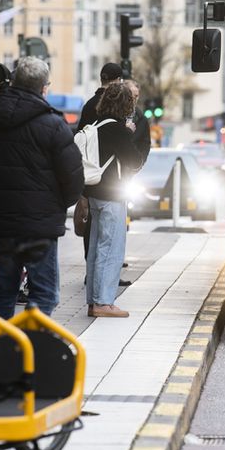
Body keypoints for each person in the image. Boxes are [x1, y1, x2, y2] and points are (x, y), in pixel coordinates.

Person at [0, 56, 84, 320]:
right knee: (44, 293)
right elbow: (73, 177)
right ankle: (31, 349)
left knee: (4, 290)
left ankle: (0, 350)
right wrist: (56, 206)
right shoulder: (53, 124)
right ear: (44, 88)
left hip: (0, 221)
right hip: (38, 226)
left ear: (13, 82)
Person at [84, 81, 142, 318]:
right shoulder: (119, 130)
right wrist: (129, 134)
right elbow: (135, 161)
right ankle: (103, 302)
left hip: (95, 193)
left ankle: (93, 301)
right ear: (125, 105)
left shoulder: (95, 125)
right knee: (111, 247)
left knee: (96, 248)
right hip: (112, 195)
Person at [77, 62, 125, 261]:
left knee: (92, 228)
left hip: (89, 175)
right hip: (110, 181)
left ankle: (91, 267)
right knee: (109, 237)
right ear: (118, 80)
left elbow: (80, 137)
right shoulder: (115, 106)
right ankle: (103, 279)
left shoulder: (89, 104)